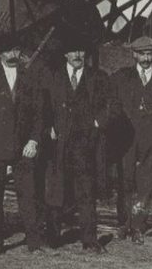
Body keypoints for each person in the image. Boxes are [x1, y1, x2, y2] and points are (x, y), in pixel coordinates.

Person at [0, 35, 46, 254]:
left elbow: (40, 114)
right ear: (0, 54)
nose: (13, 55)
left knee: (29, 195)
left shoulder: (31, 77)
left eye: (16, 50)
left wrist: (34, 140)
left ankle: (34, 241)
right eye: (8, 51)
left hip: (24, 147)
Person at [45, 34, 116, 253]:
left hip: (86, 146)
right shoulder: (53, 77)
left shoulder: (100, 78)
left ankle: (89, 240)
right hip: (58, 145)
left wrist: (97, 122)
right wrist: (48, 126)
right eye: (73, 51)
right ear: (65, 54)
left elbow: (114, 106)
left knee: (86, 193)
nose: (77, 55)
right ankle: (53, 237)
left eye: (81, 52)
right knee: (55, 191)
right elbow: (41, 105)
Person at [110, 36, 152, 244]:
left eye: (149, 54)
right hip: (126, 140)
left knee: (146, 184)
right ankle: (124, 223)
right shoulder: (122, 77)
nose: (146, 58)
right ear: (134, 55)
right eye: (142, 53)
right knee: (125, 182)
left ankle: (138, 227)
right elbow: (111, 101)